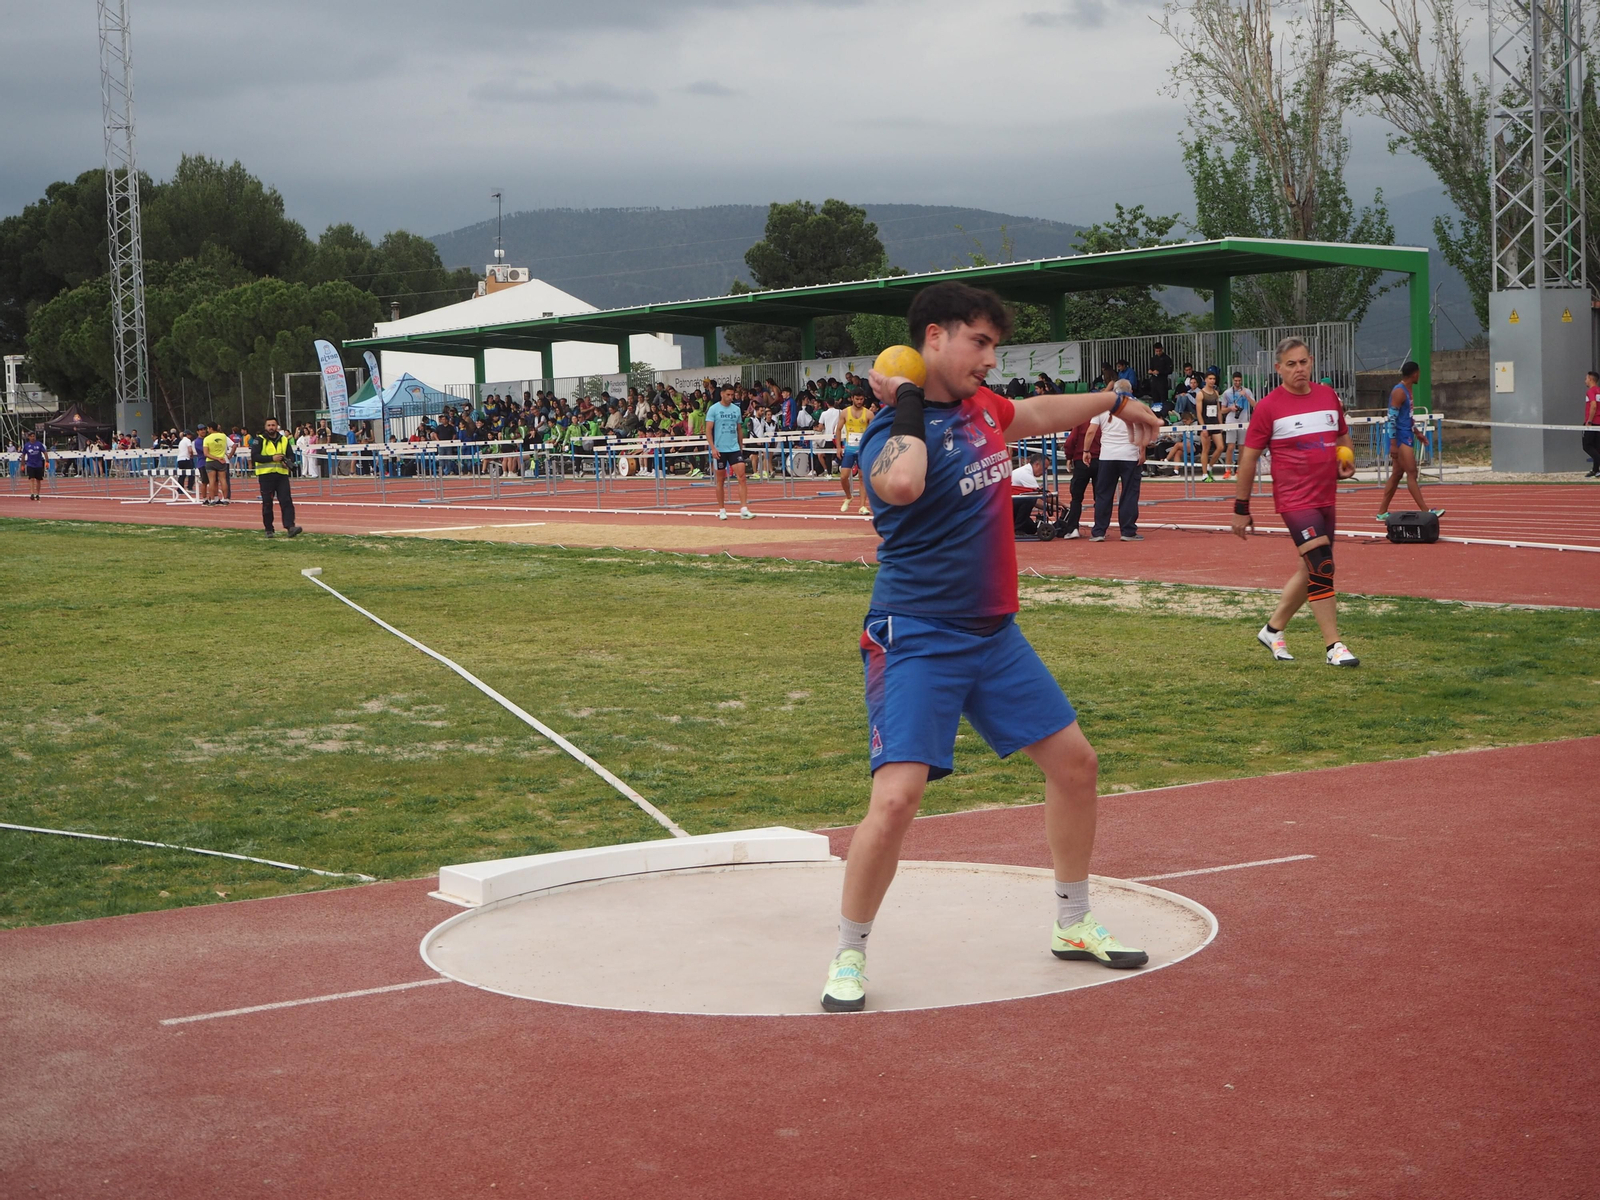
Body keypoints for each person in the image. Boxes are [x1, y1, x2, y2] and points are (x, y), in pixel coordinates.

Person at [819, 281, 1163, 1013]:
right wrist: (904, 397)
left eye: (994, 345)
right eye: (979, 342)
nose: (989, 358)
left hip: (993, 634)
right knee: (898, 799)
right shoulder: (889, 433)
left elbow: (1037, 412)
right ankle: (849, 951)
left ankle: (1073, 924)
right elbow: (905, 482)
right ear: (933, 339)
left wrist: (1112, 399)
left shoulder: (984, 410)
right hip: (916, 637)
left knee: (1076, 765)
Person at [1231, 337, 1360, 668]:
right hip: (1294, 498)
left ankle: (1273, 630)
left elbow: (1342, 435)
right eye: (1291, 364)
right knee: (1322, 565)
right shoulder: (1269, 407)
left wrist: (1347, 459)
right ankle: (1334, 646)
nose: (1299, 369)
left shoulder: (1328, 395)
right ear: (1278, 368)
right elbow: (1248, 459)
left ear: (1311, 362)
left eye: (1303, 362)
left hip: (1325, 496)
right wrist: (1241, 508)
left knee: (1311, 569)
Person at [1375, 361, 1442, 519]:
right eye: (1418, 373)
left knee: (1397, 474)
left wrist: (1418, 433)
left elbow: (1408, 417)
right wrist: (1392, 444)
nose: (1419, 375)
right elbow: (1391, 418)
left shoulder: (1408, 390)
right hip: (1400, 437)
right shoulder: (1399, 392)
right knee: (1412, 472)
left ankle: (1382, 512)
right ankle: (1426, 511)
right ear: (1414, 374)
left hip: (1407, 434)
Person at [1086, 380, 1144, 542]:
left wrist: (1086, 450)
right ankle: (1127, 531)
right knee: (1129, 494)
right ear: (1131, 390)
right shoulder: (1137, 405)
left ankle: (1098, 532)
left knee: (1103, 494)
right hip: (1129, 455)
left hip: (1107, 456)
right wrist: (1143, 452)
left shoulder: (1103, 406)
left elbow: (1091, 431)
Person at [705, 383, 753, 520]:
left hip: (734, 448)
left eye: (732, 395)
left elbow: (739, 428)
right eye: (728, 395)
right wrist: (713, 447)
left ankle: (744, 508)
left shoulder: (736, 409)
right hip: (720, 449)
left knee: (742, 477)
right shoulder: (713, 409)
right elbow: (708, 430)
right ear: (722, 394)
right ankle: (722, 509)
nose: (731, 397)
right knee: (720, 480)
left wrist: (740, 445)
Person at [249, 418, 302, 538]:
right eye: (269, 425)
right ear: (265, 426)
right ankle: (269, 529)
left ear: (277, 426)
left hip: (281, 475)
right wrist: (271, 458)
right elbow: (255, 456)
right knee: (267, 503)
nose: (271, 427)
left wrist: (288, 462)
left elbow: (290, 455)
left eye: (273, 425)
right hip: (266, 475)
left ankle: (290, 527)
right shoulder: (259, 440)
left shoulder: (284, 439)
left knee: (286, 501)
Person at [837, 388, 874, 514]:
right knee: (843, 476)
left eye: (861, 399)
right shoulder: (845, 412)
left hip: (863, 450)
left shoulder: (869, 414)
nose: (859, 401)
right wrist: (838, 447)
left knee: (863, 478)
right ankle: (848, 496)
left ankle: (862, 506)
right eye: (857, 399)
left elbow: (873, 432)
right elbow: (838, 429)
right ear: (852, 398)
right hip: (849, 449)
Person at [1220, 373, 1254, 478]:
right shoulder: (1227, 393)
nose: (1237, 383)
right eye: (1236, 381)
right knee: (1230, 446)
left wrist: (1246, 396)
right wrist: (1231, 408)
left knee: (1242, 447)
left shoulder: (1247, 391)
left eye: (1239, 381)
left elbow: (1255, 405)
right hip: (1231, 421)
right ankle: (1228, 470)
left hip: (1243, 421)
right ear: (1232, 380)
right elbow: (1222, 410)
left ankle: (1239, 469)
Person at [200, 423, 231, 505]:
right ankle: (226, 499)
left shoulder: (206, 439)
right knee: (223, 480)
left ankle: (212, 499)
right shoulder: (223, 436)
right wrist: (219, 457)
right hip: (222, 460)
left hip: (211, 461)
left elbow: (206, 453)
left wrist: (215, 458)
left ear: (210, 428)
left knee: (212, 481)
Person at [20, 431, 48, 500]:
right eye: (31, 436)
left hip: (38, 464)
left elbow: (45, 452)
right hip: (30, 464)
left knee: (38, 480)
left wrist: (47, 461)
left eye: (34, 436)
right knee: (31, 479)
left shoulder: (39, 444)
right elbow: (23, 455)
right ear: (29, 437)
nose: (33, 438)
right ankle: (32, 493)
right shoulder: (26, 445)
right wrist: (22, 464)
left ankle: (37, 494)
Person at [1586, 371, 1600, 478]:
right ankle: (1596, 470)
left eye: (1586, 378)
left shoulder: (1591, 391)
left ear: (1591, 379)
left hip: (1593, 423)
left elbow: (1593, 406)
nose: (1585, 381)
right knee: (1596, 446)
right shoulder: (1599, 391)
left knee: (1586, 445)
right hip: (1598, 423)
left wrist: (1589, 421)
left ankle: (1597, 462)